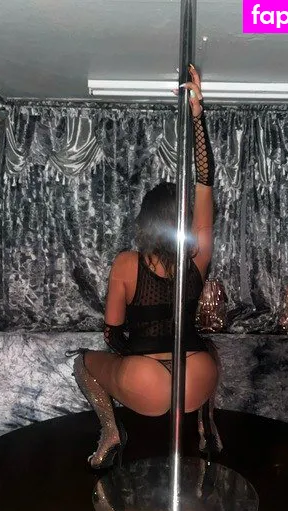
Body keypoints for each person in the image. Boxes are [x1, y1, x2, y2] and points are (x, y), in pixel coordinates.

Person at [67, 65, 222, 469]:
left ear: (145, 221)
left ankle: (111, 432)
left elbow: (112, 331)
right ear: (184, 223)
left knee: (83, 362)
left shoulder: (126, 263)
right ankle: (205, 424)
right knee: (209, 349)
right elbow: (206, 181)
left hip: (145, 379)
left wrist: (130, 361)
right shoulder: (198, 258)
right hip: (196, 373)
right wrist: (197, 115)